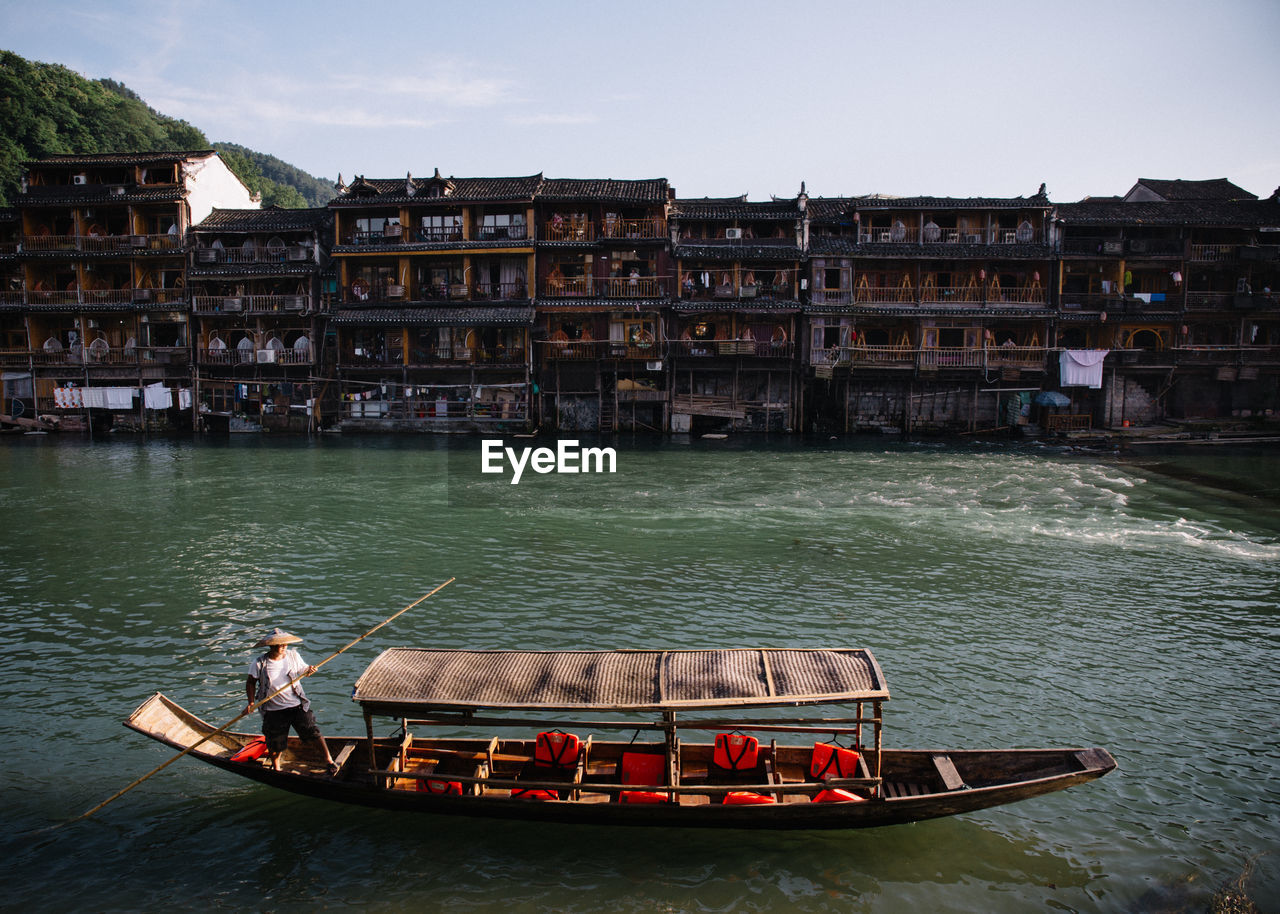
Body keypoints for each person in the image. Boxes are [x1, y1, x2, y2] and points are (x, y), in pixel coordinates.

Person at [244, 628, 338, 775]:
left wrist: (309, 670)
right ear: (271, 645)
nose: (282, 647)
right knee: (276, 742)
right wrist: (250, 703)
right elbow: (250, 683)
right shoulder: (259, 663)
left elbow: (303, 670)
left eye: (284, 644)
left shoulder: (293, 656)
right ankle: (276, 767)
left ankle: (329, 761)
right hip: (273, 709)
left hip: (296, 705)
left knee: (312, 731)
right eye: (278, 644)